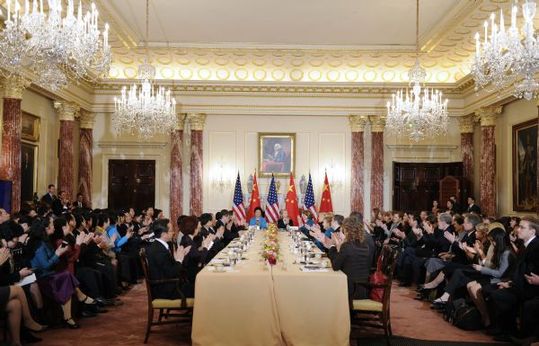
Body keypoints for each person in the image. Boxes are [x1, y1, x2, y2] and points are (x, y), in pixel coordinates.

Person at [325, 217, 370, 301]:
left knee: (326, 287)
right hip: (363, 289)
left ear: (347, 231)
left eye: (342, 230)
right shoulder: (364, 245)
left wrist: (332, 245)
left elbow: (335, 266)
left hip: (351, 290)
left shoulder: (347, 246)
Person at [145, 219, 191, 299]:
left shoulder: (159, 246)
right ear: (163, 234)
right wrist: (179, 260)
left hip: (169, 285)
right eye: (171, 231)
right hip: (165, 289)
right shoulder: (158, 250)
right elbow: (171, 273)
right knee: (201, 288)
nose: (173, 233)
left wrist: (180, 256)